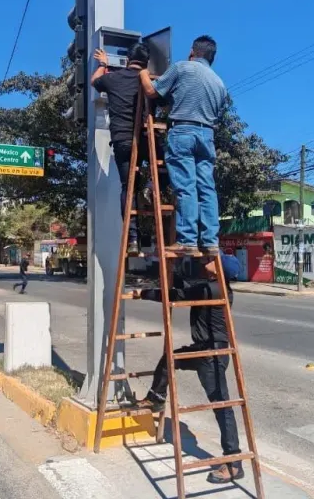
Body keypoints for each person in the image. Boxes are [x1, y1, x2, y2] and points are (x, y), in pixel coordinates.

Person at [132, 257, 244, 484]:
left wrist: (143, 293)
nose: (208, 261)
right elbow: (185, 287)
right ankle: (156, 397)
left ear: (219, 270)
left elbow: (175, 295)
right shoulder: (212, 286)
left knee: (221, 406)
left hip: (212, 356)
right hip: (202, 350)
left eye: (213, 261)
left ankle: (234, 463)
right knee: (170, 360)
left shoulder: (211, 289)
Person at [139, 36, 228, 256]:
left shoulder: (181, 68)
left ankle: (187, 240)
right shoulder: (219, 84)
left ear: (192, 52)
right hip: (207, 135)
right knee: (207, 188)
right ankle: (209, 242)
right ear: (212, 57)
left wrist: (142, 73)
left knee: (185, 187)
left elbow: (152, 92)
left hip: (183, 131)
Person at [92, 43, 166, 255]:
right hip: (147, 138)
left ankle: (133, 239)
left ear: (127, 61)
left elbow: (94, 81)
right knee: (166, 168)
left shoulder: (113, 78)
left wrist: (103, 64)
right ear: (146, 64)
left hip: (122, 139)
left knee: (128, 186)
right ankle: (151, 187)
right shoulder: (148, 81)